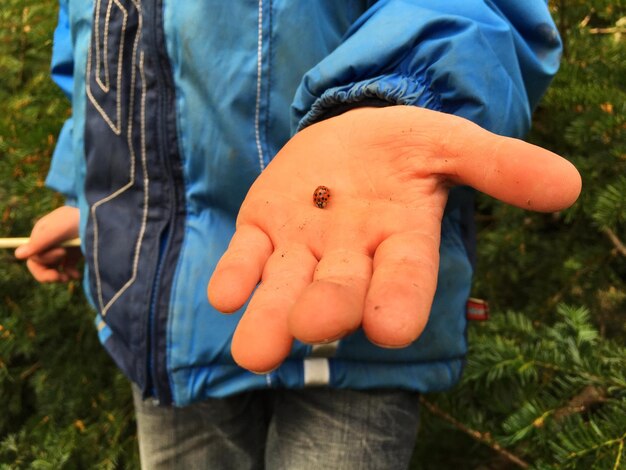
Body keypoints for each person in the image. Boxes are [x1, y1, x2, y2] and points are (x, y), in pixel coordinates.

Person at [15, 1, 581, 468]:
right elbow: (94, 63)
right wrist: (87, 195)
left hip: (352, 307)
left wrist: (397, 92)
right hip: (158, 315)